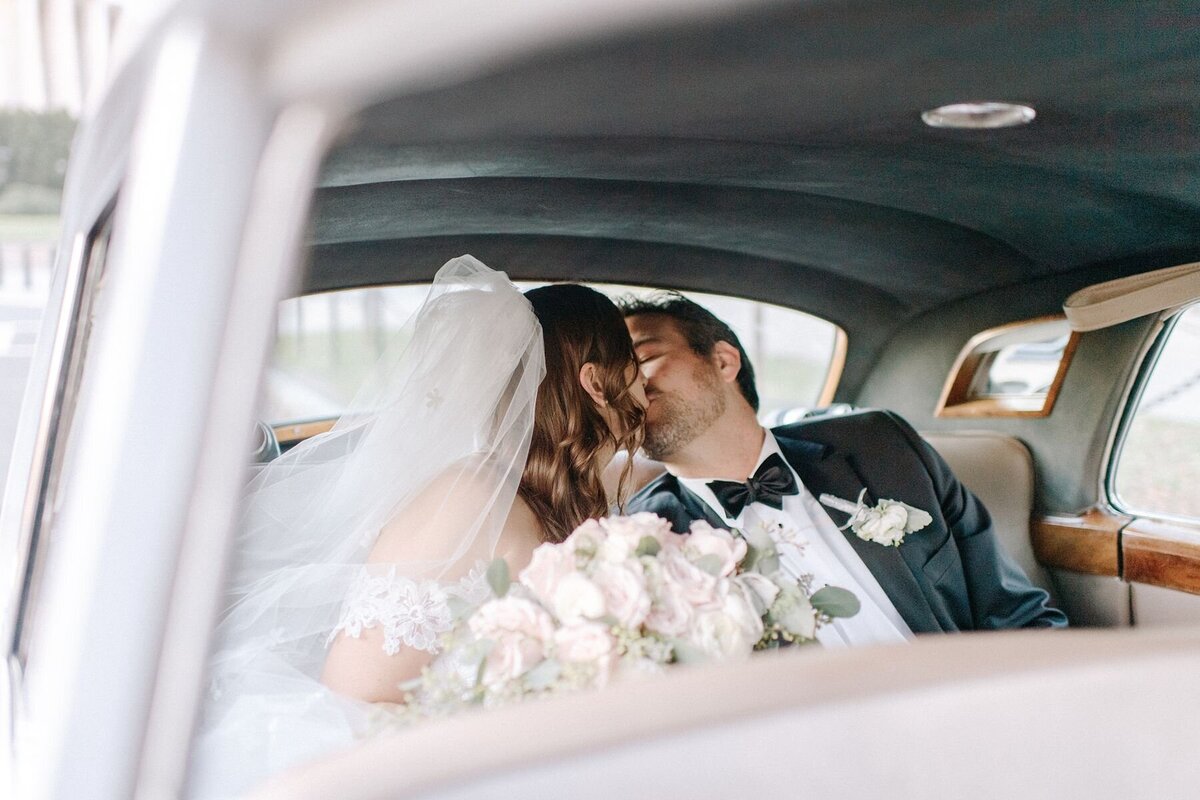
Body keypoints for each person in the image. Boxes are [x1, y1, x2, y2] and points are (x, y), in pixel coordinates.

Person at [189, 257, 645, 798]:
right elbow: (355, 698)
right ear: (596, 382)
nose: (646, 391)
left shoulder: (564, 502)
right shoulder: (469, 496)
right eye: (636, 367)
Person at [620, 292, 1066, 644]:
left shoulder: (882, 446)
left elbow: (1015, 613)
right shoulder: (641, 542)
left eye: (641, 359)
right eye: (609, 379)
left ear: (722, 361)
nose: (627, 384)